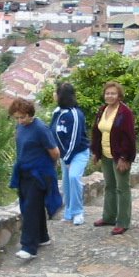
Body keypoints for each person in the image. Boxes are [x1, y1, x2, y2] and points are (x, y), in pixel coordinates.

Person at [8, 98, 61, 260]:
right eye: (16, 118)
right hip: (24, 172)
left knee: (30, 208)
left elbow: (55, 152)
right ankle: (43, 237)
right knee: (31, 206)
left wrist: (47, 168)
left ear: (30, 114)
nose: (20, 121)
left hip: (39, 174)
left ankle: (29, 247)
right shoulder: (20, 127)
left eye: (22, 117)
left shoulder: (40, 129)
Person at [89, 81, 137, 235]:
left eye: (113, 93)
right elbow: (96, 132)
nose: (109, 96)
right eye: (107, 93)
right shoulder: (102, 110)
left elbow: (129, 137)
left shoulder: (125, 113)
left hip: (119, 156)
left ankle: (123, 221)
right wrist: (96, 152)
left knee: (122, 188)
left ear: (119, 95)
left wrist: (125, 157)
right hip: (105, 154)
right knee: (109, 186)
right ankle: (109, 217)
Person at [50, 82, 91, 226]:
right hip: (63, 154)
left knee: (74, 178)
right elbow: (52, 133)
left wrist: (68, 159)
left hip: (78, 153)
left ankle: (78, 212)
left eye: (56, 92)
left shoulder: (74, 114)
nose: (54, 95)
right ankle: (69, 212)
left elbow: (75, 138)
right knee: (66, 184)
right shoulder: (57, 112)